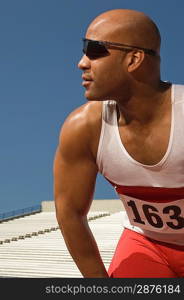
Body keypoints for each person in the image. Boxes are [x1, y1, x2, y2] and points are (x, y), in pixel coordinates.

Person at [53, 8, 184, 278]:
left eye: (94, 50)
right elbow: (70, 213)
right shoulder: (83, 128)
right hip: (146, 245)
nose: (82, 62)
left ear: (134, 59)